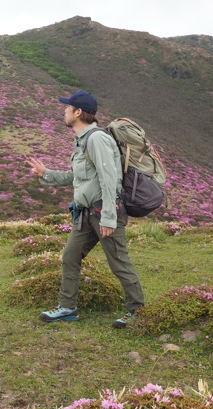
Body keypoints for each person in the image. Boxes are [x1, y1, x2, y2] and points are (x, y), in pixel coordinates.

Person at [26, 90, 144, 328]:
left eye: (67, 108)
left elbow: (109, 179)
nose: (64, 111)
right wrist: (45, 174)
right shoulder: (82, 141)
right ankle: (67, 308)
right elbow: (77, 176)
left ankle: (137, 312)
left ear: (78, 112)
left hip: (103, 214)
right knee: (70, 255)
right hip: (85, 213)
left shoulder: (96, 139)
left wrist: (109, 218)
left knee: (119, 263)